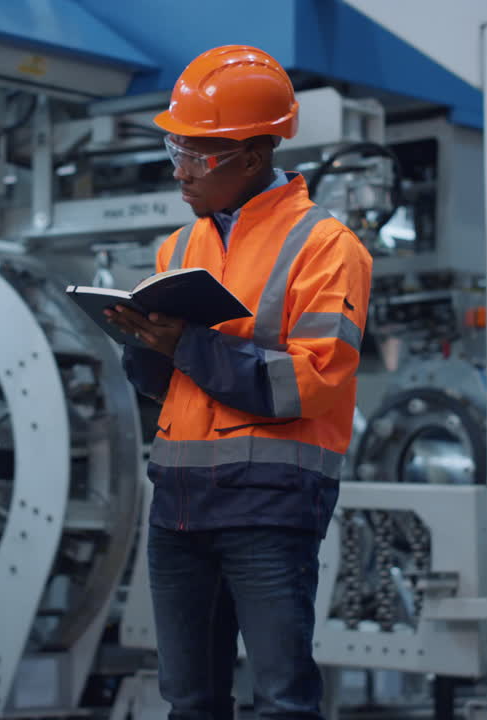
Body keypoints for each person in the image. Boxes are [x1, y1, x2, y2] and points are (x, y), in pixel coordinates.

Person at [105, 45, 373, 720]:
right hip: (179, 506)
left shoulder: (327, 248)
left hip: (271, 506)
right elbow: (169, 390)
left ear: (251, 158)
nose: (180, 170)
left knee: (282, 701)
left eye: (196, 155)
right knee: (189, 702)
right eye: (175, 149)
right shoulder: (177, 248)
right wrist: (141, 343)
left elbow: (308, 384)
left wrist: (187, 344)